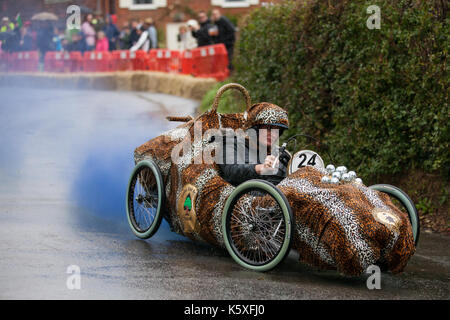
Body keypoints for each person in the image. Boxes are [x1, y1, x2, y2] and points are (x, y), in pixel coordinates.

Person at [218, 103, 291, 186]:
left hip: (278, 195)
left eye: (277, 131)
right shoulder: (231, 144)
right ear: (255, 129)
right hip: (243, 195)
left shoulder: (281, 154)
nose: (273, 134)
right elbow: (231, 171)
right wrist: (259, 168)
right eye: (268, 128)